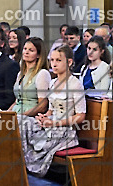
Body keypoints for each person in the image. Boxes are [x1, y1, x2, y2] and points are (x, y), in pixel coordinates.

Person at [20, 45, 86, 176]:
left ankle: (27, 170)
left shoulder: (75, 84)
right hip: (50, 125)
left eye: (58, 60)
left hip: (64, 131)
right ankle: (20, 167)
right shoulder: (53, 82)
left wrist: (54, 123)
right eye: (52, 60)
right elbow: (50, 110)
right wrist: (43, 117)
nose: (54, 64)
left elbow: (81, 116)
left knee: (36, 141)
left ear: (69, 62)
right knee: (20, 120)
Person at [10, 37, 51, 117]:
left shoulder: (42, 74)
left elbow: (42, 106)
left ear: (38, 55)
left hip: (30, 117)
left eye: (31, 50)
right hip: (16, 114)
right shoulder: (20, 73)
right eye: (25, 49)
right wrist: (7, 112)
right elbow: (17, 100)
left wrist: (22, 116)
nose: (26, 52)